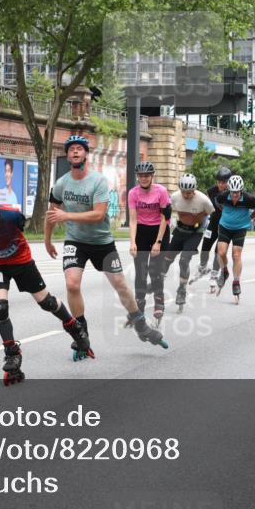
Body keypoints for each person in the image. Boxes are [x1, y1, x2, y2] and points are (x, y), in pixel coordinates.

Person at [0, 174, 92, 386]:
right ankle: (12, 353)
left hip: (22, 262)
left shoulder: (12, 216)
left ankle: (74, 327)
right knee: (0, 307)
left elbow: (20, 229)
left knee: (46, 302)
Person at [44, 135, 167, 349]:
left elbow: (99, 215)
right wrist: (47, 240)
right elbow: (51, 213)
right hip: (75, 241)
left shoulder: (98, 181)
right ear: (67, 155)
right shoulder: (61, 183)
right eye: (71, 149)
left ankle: (141, 324)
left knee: (119, 284)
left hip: (102, 242)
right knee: (72, 284)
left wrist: (67, 216)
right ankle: (81, 332)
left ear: (85, 154)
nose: (75, 152)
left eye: (79, 149)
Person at [161, 173, 214, 312]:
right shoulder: (174, 197)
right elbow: (167, 212)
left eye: (190, 193)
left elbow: (211, 214)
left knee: (184, 260)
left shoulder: (204, 200)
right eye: (184, 192)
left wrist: (200, 221)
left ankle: (182, 289)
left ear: (194, 190)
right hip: (180, 229)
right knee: (167, 258)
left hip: (196, 233)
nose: (187, 195)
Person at [127, 161, 172, 322]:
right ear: (138, 177)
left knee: (154, 270)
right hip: (142, 230)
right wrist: (132, 242)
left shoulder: (162, 192)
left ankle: (159, 302)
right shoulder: (133, 193)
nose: (144, 178)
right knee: (140, 271)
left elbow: (164, 218)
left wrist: (158, 243)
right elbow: (132, 220)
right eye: (141, 176)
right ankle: (139, 304)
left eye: (147, 175)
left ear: (152, 176)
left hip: (160, 230)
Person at [211, 175, 255, 302]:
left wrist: (249, 218)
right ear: (229, 190)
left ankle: (236, 282)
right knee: (220, 252)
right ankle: (225, 271)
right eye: (232, 192)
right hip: (225, 226)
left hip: (240, 228)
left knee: (236, 255)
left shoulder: (249, 199)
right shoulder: (223, 196)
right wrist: (225, 212)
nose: (234, 195)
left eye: (237, 192)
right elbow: (217, 202)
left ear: (241, 190)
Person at [196, 165, 232, 279]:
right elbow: (206, 207)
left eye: (224, 182)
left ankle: (214, 273)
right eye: (219, 182)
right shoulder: (211, 191)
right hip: (213, 224)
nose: (221, 185)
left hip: (225, 227)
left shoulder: (233, 193)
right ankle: (202, 267)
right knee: (205, 246)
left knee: (219, 251)